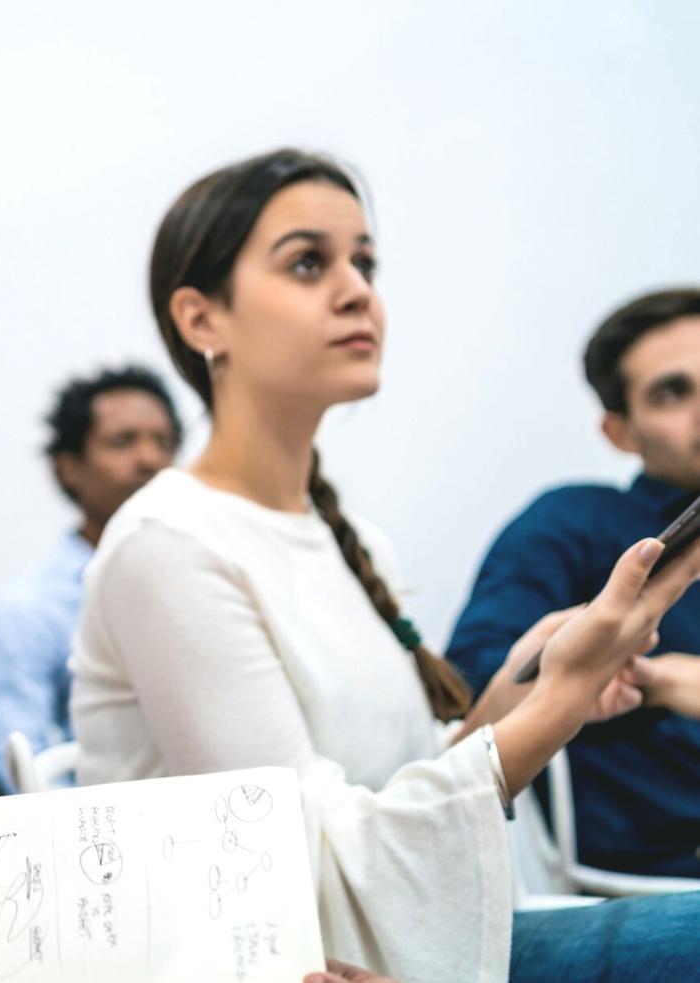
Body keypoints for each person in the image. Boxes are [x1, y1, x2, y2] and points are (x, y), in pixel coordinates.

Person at [71, 148, 700, 981]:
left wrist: (538, 667)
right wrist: (559, 697)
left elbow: (419, 778)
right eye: (307, 262)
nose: (356, 289)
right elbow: (297, 867)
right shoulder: (168, 545)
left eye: (363, 262)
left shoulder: (351, 537)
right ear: (201, 320)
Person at [448, 288, 700, 877]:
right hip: (651, 877)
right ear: (620, 432)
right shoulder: (574, 524)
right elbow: (479, 683)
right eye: (673, 392)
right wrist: (650, 677)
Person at [0, 366, 178, 789]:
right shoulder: (30, 607)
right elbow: (18, 761)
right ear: (69, 468)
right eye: (123, 442)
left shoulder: (205, 577)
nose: (151, 459)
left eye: (165, 442)